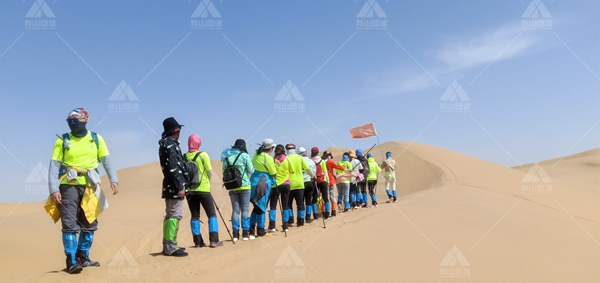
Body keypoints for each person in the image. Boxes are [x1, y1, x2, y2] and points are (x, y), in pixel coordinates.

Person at [47, 108, 119, 273]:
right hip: (68, 184)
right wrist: (53, 190)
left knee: (90, 221)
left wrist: (113, 179)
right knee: (69, 223)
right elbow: (54, 166)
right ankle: (71, 261)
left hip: (91, 185)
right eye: (70, 120)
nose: (73, 123)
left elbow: (106, 161)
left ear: (86, 120)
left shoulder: (96, 139)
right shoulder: (62, 140)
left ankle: (83, 257)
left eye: (76, 120)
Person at [184, 134, 222, 248]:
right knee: (211, 214)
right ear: (198, 143)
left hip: (190, 191)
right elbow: (209, 171)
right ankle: (214, 241)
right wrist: (207, 181)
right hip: (204, 189)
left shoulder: (184, 156)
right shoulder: (203, 155)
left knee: (195, 216)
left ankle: (198, 242)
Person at [158, 117, 188, 257]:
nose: (179, 132)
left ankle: (169, 244)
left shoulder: (166, 143)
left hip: (169, 185)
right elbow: (173, 167)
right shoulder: (171, 144)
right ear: (172, 131)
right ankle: (171, 246)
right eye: (177, 129)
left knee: (170, 215)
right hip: (174, 186)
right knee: (175, 215)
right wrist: (179, 186)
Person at [221, 139, 254, 241]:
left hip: (232, 186)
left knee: (235, 210)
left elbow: (224, 171)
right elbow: (251, 170)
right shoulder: (245, 156)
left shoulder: (227, 156)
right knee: (245, 209)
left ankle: (235, 234)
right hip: (244, 185)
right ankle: (245, 233)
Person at [249, 139, 277, 237]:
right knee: (261, 207)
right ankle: (260, 230)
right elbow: (273, 172)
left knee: (256, 207)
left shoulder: (256, 154)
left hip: (253, 181)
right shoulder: (268, 157)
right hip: (262, 183)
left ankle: (251, 229)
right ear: (271, 148)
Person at [285, 144, 312, 227]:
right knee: (300, 203)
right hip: (300, 184)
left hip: (289, 184)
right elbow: (307, 168)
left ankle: (290, 220)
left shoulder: (286, 158)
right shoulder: (300, 157)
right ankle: (300, 221)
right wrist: (312, 175)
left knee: (288, 203)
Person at [269, 144, 293, 232]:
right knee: (285, 205)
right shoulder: (287, 159)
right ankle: (285, 225)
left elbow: (270, 171)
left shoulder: (272, 160)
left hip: (276, 184)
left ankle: (272, 225)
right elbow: (292, 170)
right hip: (286, 184)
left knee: (273, 206)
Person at [321, 151, 346, 217]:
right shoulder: (329, 162)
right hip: (331, 180)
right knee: (332, 196)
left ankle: (324, 211)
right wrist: (345, 169)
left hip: (323, 181)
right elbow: (337, 167)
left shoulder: (320, 162)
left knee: (324, 197)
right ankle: (333, 211)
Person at [310, 147, 332, 219]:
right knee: (325, 197)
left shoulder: (310, 161)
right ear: (318, 153)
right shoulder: (322, 161)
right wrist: (328, 181)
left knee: (314, 198)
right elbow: (325, 172)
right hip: (323, 180)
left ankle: (315, 215)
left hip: (314, 181)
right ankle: (327, 214)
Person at [298, 147, 317, 223]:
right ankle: (308, 217)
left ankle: (300, 218)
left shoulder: (299, 161)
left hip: (301, 183)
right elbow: (314, 172)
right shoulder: (311, 161)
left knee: (301, 201)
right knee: (309, 200)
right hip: (309, 182)